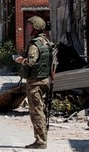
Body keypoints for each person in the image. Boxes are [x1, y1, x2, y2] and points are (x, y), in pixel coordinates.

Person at [14, 16, 53, 149]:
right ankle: (42, 138)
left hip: (36, 82)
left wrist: (21, 60)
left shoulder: (35, 44)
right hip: (45, 80)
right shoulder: (47, 42)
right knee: (41, 109)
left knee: (36, 111)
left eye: (30, 26)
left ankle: (41, 141)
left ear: (36, 27)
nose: (28, 28)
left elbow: (31, 61)